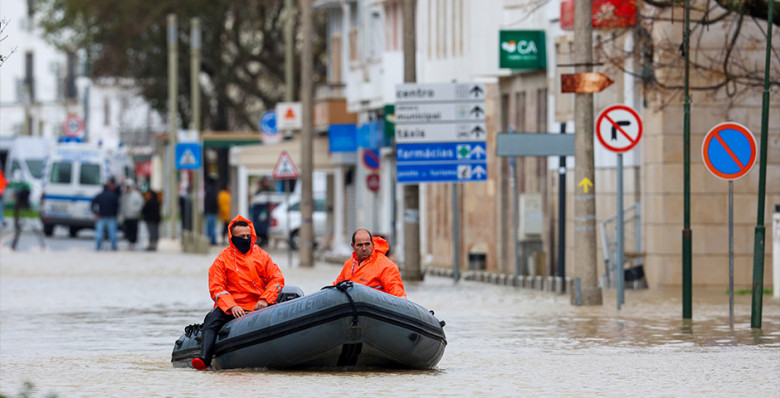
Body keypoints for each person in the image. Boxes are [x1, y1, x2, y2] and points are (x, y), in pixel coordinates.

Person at [191, 215, 285, 371]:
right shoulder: (222, 259)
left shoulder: (261, 255)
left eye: (248, 236)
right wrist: (232, 306)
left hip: (259, 304)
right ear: (232, 238)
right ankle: (204, 358)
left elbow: (277, 278)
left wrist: (265, 299)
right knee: (211, 320)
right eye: (242, 237)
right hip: (233, 306)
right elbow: (216, 287)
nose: (246, 239)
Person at [333, 229, 406, 298]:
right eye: (360, 245)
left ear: (372, 244)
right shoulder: (349, 264)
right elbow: (335, 286)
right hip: (350, 305)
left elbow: (397, 293)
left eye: (367, 244)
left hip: (374, 308)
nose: (364, 248)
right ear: (353, 246)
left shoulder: (386, 266)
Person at [91, 179, 120, 251]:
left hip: (101, 216)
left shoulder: (99, 195)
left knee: (99, 233)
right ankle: (114, 247)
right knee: (112, 234)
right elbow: (118, 206)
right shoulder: (114, 196)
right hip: (112, 217)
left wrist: (95, 213)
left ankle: (98, 247)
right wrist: (116, 214)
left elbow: (92, 205)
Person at [119, 179, 144, 250]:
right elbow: (122, 205)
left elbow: (140, 204)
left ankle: (134, 243)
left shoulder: (136, 195)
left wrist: (136, 211)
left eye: (128, 187)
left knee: (134, 230)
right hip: (126, 216)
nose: (127, 188)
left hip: (134, 216)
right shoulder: (124, 195)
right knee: (127, 231)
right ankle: (129, 242)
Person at [204, 176, 218, 245]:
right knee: (212, 226)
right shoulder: (211, 190)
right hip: (212, 211)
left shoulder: (207, 189)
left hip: (208, 210)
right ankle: (212, 240)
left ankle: (209, 240)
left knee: (209, 226)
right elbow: (212, 201)